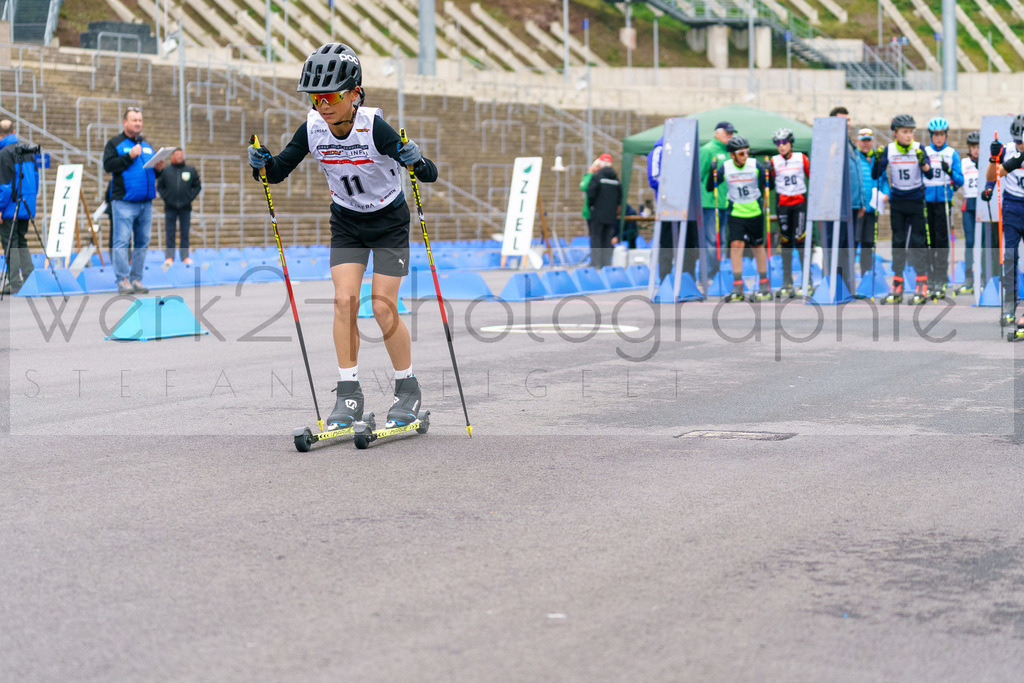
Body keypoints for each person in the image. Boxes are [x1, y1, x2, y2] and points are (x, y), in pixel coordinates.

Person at [248, 43, 437, 429]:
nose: (323, 105)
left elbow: (427, 173)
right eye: (315, 98)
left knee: (382, 307)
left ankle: (407, 388)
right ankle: (348, 394)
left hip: (388, 221)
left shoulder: (373, 127)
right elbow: (277, 171)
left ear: (354, 94)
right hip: (347, 222)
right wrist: (261, 164)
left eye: (332, 96)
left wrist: (417, 159)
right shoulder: (313, 128)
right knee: (343, 302)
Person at [872, 114, 934, 305]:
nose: (909, 136)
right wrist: (877, 160)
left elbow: (930, 174)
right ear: (895, 133)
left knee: (918, 242)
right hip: (898, 202)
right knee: (898, 243)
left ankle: (921, 284)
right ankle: (897, 285)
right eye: (905, 132)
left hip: (916, 201)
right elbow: (875, 174)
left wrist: (923, 163)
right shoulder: (889, 149)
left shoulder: (918, 148)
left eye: (911, 132)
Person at [103, 107, 163, 295]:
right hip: (124, 202)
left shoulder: (147, 146)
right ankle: (123, 280)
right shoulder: (115, 143)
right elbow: (108, 165)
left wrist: (159, 169)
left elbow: (150, 172)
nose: (138, 123)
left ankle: (136, 279)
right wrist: (128, 156)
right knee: (121, 242)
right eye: (134, 120)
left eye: (140, 120)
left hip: (146, 203)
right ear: (125, 122)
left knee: (142, 243)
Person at [706, 135, 770, 302]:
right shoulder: (726, 167)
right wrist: (712, 172)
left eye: (747, 152)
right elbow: (710, 187)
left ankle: (764, 284)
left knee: (757, 246)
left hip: (754, 211)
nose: (745, 156)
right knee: (736, 246)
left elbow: (768, 185)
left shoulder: (754, 165)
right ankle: (737, 285)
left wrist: (768, 171)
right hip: (736, 212)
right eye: (741, 153)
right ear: (732, 155)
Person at [983, 114, 1024, 329]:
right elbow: (992, 177)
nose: (1020, 145)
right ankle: (1009, 304)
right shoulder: (1007, 150)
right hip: (1012, 207)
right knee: (1009, 256)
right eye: (1017, 141)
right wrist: (993, 157)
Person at [647, 134, 697, 283]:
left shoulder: (686, 151)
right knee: (667, 244)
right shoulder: (659, 151)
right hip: (668, 206)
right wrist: (676, 188)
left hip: (688, 206)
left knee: (690, 244)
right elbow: (654, 179)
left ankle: (688, 279)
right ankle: (665, 280)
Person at [923, 117, 964, 299]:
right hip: (927, 201)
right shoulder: (925, 152)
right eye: (935, 135)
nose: (938, 138)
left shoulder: (951, 153)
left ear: (946, 135)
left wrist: (949, 171)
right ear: (931, 136)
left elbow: (960, 180)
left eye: (941, 134)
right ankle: (930, 276)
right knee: (928, 240)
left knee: (942, 241)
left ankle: (941, 277)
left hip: (944, 201)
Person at [767, 127, 810, 298]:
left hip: (799, 203)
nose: (781, 146)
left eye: (784, 142)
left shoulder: (801, 158)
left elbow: (812, 176)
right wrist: (768, 172)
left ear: (791, 143)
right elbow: (770, 186)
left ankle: (807, 280)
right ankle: (787, 281)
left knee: (800, 240)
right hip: (783, 204)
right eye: (778, 143)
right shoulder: (774, 161)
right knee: (785, 242)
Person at [0, 120, 38, 295]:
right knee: (21, 240)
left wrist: (0, 208)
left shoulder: (4, 153)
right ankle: (30, 280)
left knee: (10, 242)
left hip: (10, 207)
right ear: (14, 131)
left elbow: (5, 187)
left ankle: (14, 282)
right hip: (26, 204)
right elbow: (36, 179)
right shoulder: (26, 151)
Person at [699, 121, 734, 281]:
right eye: (727, 133)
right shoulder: (707, 150)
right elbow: (698, 176)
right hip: (709, 203)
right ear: (717, 133)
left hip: (724, 203)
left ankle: (717, 274)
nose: (730, 136)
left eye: (731, 133)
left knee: (722, 241)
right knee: (711, 242)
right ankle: (707, 276)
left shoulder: (728, 152)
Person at [854, 128, 889, 282]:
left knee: (868, 244)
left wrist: (886, 194)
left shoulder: (877, 158)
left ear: (872, 142)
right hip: (857, 209)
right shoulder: (855, 157)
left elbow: (884, 179)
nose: (866, 144)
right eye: (863, 141)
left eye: (868, 141)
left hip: (873, 209)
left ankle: (866, 277)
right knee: (854, 242)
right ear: (858, 142)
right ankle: (849, 277)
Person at [157, 148, 202, 265]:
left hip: (185, 207)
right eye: (177, 154)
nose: (179, 156)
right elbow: (160, 186)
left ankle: (185, 256)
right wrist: (166, 197)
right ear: (172, 156)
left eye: (181, 154)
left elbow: (197, 186)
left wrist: (189, 198)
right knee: (170, 233)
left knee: (185, 233)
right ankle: (169, 257)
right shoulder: (166, 171)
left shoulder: (190, 170)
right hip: (170, 207)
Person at [585, 152, 621, 269]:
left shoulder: (597, 176)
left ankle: (596, 263)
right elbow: (620, 196)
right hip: (611, 214)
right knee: (607, 238)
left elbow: (590, 193)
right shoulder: (616, 179)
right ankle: (606, 263)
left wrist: (591, 206)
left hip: (598, 213)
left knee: (596, 238)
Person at [957, 131, 981, 294]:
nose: (976, 150)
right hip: (969, 203)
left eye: (978, 147)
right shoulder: (964, 162)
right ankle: (969, 277)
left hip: (983, 204)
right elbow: (957, 180)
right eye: (973, 147)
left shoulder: (987, 161)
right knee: (970, 241)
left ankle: (984, 276)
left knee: (984, 243)